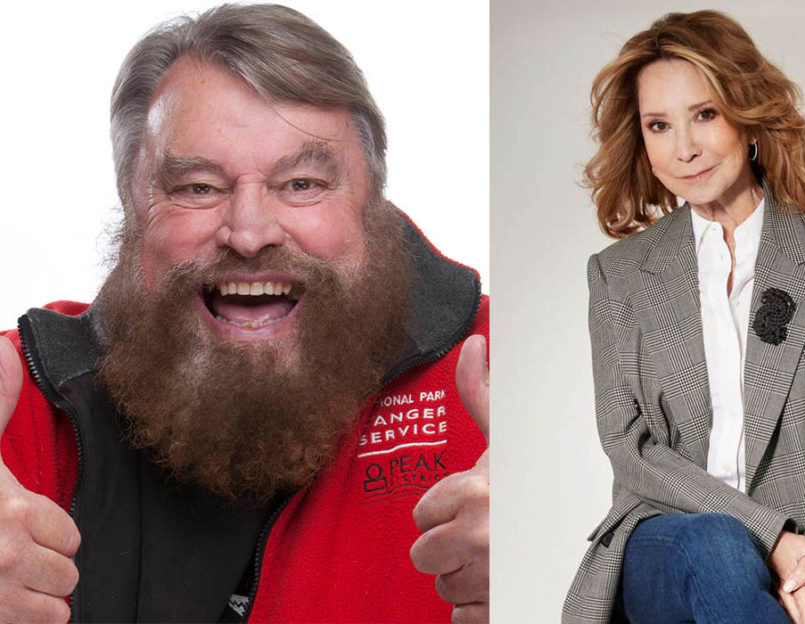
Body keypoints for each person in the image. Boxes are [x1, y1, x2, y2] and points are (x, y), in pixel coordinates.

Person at [0, 4, 488, 623]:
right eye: (198, 187)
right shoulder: (19, 399)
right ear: (133, 205)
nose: (250, 233)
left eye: (303, 184)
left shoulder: (500, 371)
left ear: (371, 202)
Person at [563, 11, 805, 624]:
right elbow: (628, 445)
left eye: (705, 114)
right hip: (667, 541)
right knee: (718, 543)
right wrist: (767, 534)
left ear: (746, 115)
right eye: (659, 125)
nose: (685, 148)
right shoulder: (618, 275)